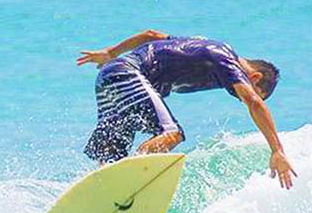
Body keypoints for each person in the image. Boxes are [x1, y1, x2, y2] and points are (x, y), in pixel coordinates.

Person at [76, 30, 296, 189]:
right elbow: (254, 103)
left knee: (112, 153)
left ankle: (105, 189)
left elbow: (152, 35)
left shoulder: (202, 46)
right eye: (255, 89)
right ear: (254, 77)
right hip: (128, 73)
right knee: (171, 134)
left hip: (108, 76)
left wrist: (110, 52)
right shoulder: (226, 59)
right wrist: (277, 150)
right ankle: (132, 182)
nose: (243, 97)